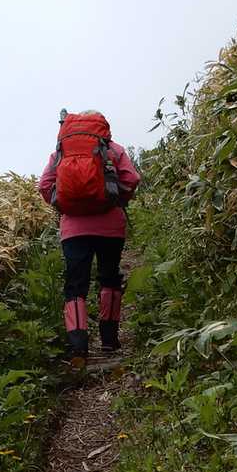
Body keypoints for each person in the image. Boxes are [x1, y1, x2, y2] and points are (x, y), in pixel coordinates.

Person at [37, 109, 141, 363]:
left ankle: (78, 347)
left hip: (74, 230)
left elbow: (44, 186)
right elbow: (131, 178)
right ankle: (109, 341)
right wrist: (115, 199)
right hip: (110, 227)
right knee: (109, 278)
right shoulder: (113, 150)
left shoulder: (60, 152)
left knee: (75, 285)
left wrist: (65, 206)